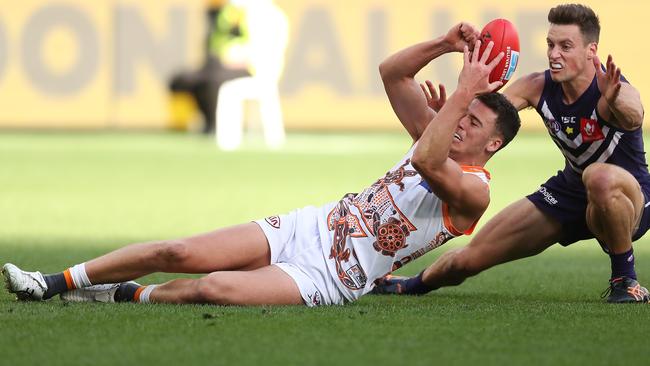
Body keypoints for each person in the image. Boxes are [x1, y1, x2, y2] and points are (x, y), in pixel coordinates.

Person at [2, 26, 520, 306]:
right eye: (463, 114)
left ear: (493, 144)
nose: (459, 124)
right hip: (309, 226)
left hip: (330, 277)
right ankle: (53, 282)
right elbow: (391, 74)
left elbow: (430, 160)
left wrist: (460, 96)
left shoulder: (474, 191)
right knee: (177, 250)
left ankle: (125, 294)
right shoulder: (434, 134)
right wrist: (445, 46)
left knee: (215, 288)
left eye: (472, 123)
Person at [374, 4, 650, 303]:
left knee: (599, 176)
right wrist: (451, 116)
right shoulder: (537, 86)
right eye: (550, 44)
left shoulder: (611, 87)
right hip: (570, 193)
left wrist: (615, 100)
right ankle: (411, 285)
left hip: (629, 197)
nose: (554, 54)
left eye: (565, 46)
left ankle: (626, 281)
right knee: (468, 259)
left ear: (590, 51)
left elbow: (635, 116)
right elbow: (490, 114)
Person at [169, 0, 251, 134]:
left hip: (249, 69)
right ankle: (204, 121)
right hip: (217, 65)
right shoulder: (226, 15)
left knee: (212, 80)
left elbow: (263, 53)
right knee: (183, 80)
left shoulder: (266, 16)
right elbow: (215, 46)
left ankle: (214, 125)